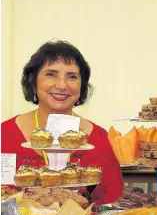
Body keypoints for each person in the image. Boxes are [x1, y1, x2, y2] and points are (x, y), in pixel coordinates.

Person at [1, 40, 124, 205]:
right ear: (33, 81)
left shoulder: (100, 139)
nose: (62, 85)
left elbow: (111, 205)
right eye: (51, 74)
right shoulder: (5, 135)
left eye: (72, 77)